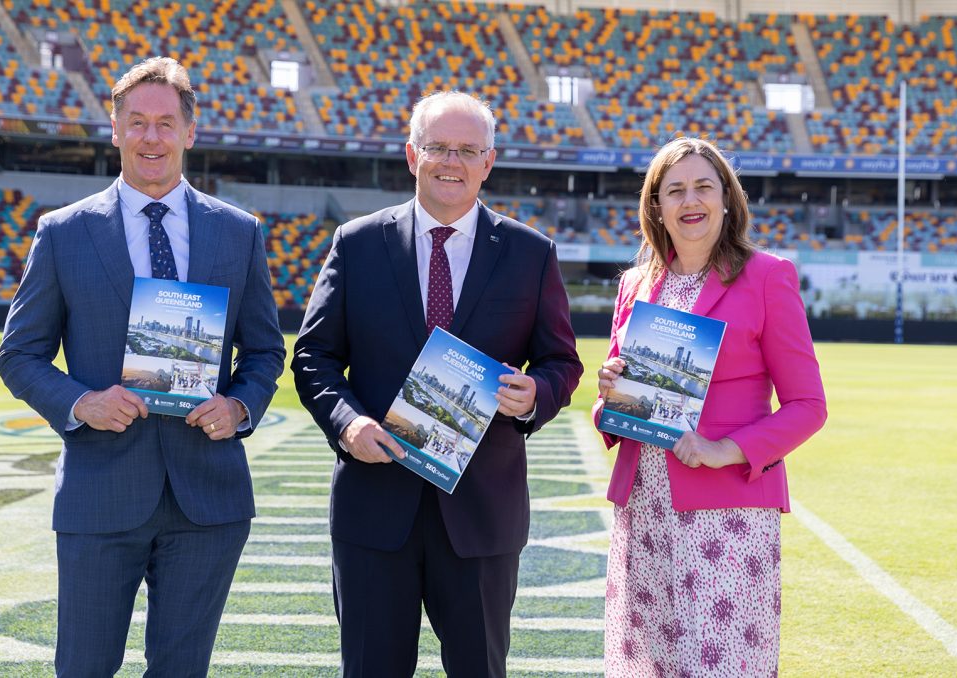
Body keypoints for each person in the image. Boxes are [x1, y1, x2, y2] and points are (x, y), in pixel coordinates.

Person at [0, 57, 284, 676]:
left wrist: (239, 406)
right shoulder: (63, 233)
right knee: (84, 666)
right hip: (101, 492)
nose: (150, 138)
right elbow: (19, 355)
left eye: (164, 123)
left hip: (207, 497)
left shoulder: (239, 233)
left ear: (189, 131)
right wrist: (81, 403)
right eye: (137, 123)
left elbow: (264, 351)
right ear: (115, 129)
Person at [291, 91, 582, 677]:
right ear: (411, 154)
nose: (452, 161)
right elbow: (313, 356)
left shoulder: (530, 254)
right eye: (438, 148)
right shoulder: (357, 243)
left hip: (481, 513)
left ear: (489, 161)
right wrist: (349, 423)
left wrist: (536, 396)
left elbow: (561, 362)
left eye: (468, 150)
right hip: (375, 507)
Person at [594, 137, 826, 676]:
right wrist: (608, 393)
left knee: (723, 664)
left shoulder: (768, 276)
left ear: (727, 197)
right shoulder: (636, 283)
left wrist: (726, 450)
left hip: (728, 515)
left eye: (703, 186)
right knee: (649, 665)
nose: (689, 200)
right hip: (645, 512)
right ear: (656, 206)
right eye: (673, 190)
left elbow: (809, 405)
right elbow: (612, 415)